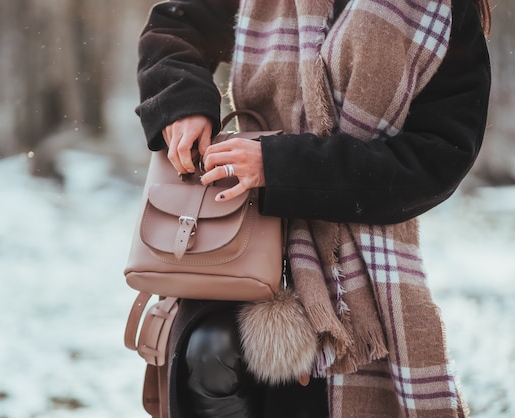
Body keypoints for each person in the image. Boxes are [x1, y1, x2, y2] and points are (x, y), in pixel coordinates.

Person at [134, 0, 491, 416]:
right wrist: (184, 103)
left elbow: (437, 157)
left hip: (359, 262)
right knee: (209, 353)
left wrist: (279, 165)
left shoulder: (438, 7)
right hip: (237, 230)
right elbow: (175, 25)